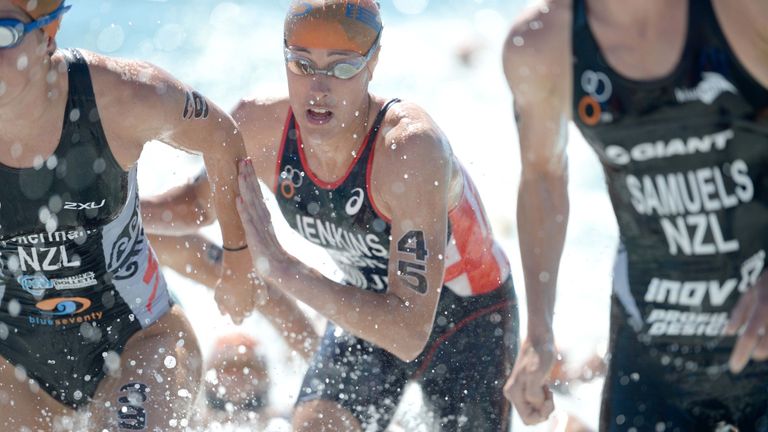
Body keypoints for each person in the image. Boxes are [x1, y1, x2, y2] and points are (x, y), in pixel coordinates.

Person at [155, 1, 518, 430]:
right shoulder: (260, 127)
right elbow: (195, 206)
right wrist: (97, 212)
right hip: (363, 304)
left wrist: (281, 266)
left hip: (467, 320)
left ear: (373, 63)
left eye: (342, 68)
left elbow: (406, 331)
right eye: (302, 64)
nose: (318, 88)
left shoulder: (410, 151)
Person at [502, 0, 768, 430]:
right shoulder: (541, 44)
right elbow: (543, 177)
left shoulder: (741, 13)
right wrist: (538, 332)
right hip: (652, 354)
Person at [0, 0, 252, 430]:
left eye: (3, 33)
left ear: (47, 35)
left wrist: (239, 259)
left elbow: (222, 137)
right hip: (12, 367)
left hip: (139, 339)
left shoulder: (120, 95)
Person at [142, 181, 320, 360]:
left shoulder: (135, 234)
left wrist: (319, 360)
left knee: (235, 363)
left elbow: (261, 293)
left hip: (158, 341)